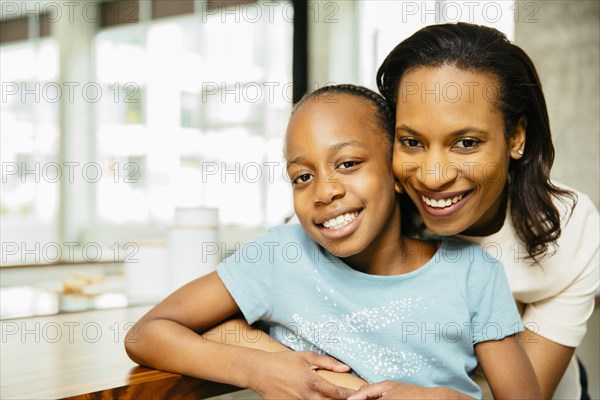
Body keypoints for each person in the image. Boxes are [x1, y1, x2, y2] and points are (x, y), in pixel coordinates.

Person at [125, 84, 541, 399]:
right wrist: (257, 368)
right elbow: (147, 334)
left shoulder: (472, 274)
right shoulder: (281, 256)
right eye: (302, 177)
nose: (324, 191)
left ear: (397, 170)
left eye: (348, 164)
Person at [351, 22, 599, 400]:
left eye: (466, 143)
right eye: (412, 141)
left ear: (516, 138)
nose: (433, 177)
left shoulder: (571, 229)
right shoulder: (355, 217)